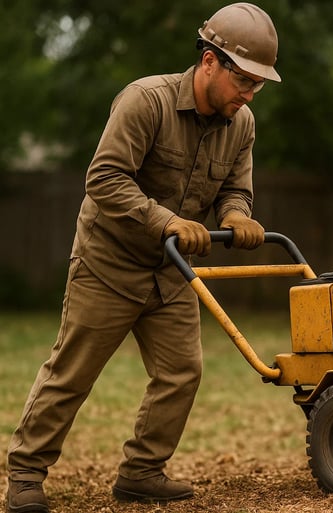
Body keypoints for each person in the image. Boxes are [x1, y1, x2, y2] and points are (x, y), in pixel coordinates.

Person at [5, 3, 281, 511]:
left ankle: (141, 472)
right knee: (72, 373)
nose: (248, 94)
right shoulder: (144, 102)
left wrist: (238, 215)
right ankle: (24, 475)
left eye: (258, 85)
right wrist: (167, 221)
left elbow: (235, 189)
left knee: (182, 372)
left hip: (170, 271)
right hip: (108, 263)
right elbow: (104, 180)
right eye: (243, 80)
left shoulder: (241, 122)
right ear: (209, 62)